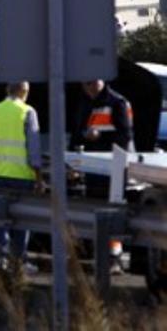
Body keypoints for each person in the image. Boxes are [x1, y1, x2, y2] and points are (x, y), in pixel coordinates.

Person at [0, 81, 43, 274]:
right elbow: (34, 149)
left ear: (8, 90)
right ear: (23, 91)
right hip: (23, 176)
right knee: (22, 220)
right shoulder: (28, 112)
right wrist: (39, 176)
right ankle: (19, 261)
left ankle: (2, 256)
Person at [71, 79, 134, 274]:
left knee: (113, 211)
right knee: (95, 209)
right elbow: (77, 132)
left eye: (90, 85)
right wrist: (82, 139)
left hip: (114, 167)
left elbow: (125, 136)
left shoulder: (117, 102)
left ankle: (114, 258)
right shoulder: (84, 101)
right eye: (84, 85)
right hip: (92, 167)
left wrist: (101, 137)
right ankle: (98, 256)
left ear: (100, 82)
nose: (87, 89)